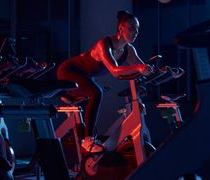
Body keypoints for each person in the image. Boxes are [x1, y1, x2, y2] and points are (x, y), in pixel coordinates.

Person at [56, 10, 153, 153]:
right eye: (132, 28)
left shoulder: (129, 50)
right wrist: (139, 68)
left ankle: (93, 140)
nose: (136, 32)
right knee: (97, 92)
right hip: (68, 71)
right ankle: (87, 140)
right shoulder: (104, 44)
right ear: (121, 28)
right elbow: (115, 70)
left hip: (85, 77)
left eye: (137, 29)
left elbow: (143, 70)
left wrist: (165, 72)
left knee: (97, 92)